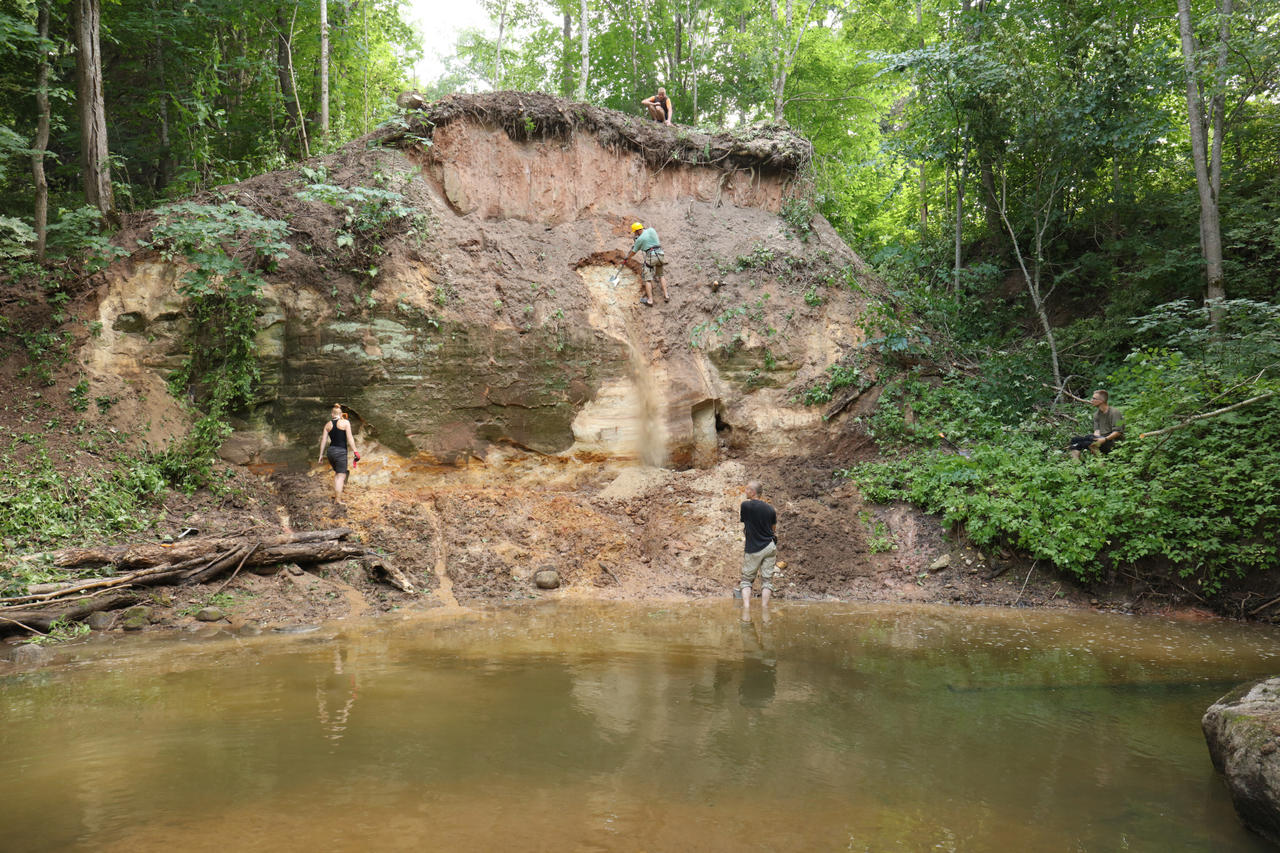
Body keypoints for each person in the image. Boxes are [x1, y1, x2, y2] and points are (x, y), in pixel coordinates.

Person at [739, 480, 778, 621]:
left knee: (746, 580)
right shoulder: (770, 509)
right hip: (769, 546)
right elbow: (773, 530)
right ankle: (765, 611)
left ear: (753, 492)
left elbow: (746, 524)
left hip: (754, 547)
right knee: (767, 580)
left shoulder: (745, 506)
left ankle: (746, 610)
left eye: (748, 489)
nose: (745, 491)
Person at [619, 221, 668, 306]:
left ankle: (650, 300)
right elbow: (649, 239)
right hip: (660, 254)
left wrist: (627, 257)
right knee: (661, 275)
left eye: (635, 232)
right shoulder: (652, 230)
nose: (634, 234)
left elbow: (634, 252)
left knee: (647, 279)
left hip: (651, 256)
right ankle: (666, 295)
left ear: (637, 231)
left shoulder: (640, 240)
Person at [318, 404, 359, 503]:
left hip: (331, 452)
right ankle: (338, 500)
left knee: (338, 474)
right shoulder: (345, 422)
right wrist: (355, 451)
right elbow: (350, 438)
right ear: (341, 414)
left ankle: (337, 495)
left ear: (332, 414)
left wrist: (320, 455)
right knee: (341, 476)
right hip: (340, 452)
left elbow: (323, 440)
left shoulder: (327, 425)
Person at [1069, 389, 1123, 461]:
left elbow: (1118, 432)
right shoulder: (1096, 414)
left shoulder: (1115, 412)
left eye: (1094, 398)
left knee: (1089, 441)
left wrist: (1104, 439)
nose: (1091, 400)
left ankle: (1102, 463)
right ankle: (1075, 464)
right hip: (1101, 439)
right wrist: (1095, 438)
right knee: (1075, 440)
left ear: (1101, 401)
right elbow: (1097, 431)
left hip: (1113, 441)